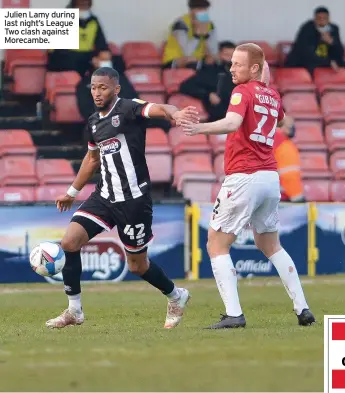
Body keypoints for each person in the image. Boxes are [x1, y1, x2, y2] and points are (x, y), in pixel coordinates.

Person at [46, 67, 199, 329]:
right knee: (70, 242)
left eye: (102, 87)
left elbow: (160, 108)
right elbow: (92, 158)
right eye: (93, 87)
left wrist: (176, 114)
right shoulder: (94, 121)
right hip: (104, 196)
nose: (96, 92)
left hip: (133, 201)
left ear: (116, 89)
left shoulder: (128, 108)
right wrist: (72, 192)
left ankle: (176, 296)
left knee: (138, 266)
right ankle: (74, 311)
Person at [181, 43, 315, 329]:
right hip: (269, 177)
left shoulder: (242, 91)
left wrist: (199, 128)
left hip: (244, 176)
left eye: (237, 65)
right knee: (270, 244)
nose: (231, 69)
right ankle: (302, 308)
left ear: (254, 68)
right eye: (231, 64)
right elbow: (282, 121)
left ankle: (233, 314)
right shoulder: (273, 95)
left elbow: (232, 123)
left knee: (217, 243)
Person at [47, 0, 113, 76]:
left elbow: (102, 45)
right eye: (80, 4)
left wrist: (104, 55)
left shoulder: (93, 21)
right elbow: (56, 50)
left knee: (115, 61)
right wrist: (91, 59)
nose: (83, 4)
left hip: (87, 60)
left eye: (85, 4)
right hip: (64, 60)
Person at [180, 41, 236, 121]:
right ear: (219, 55)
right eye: (226, 55)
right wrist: (208, 94)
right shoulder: (209, 71)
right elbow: (185, 86)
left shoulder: (241, 72)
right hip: (219, 118)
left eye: (233, 56)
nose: (230, 59)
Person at [285, 6, 344, 74]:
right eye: (319, 18)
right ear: (314, 19)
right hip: (305, 62)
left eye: (325, 18)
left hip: (325, 61)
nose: (322, 21)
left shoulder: (334, 29)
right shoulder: (307, 28)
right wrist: (328, 62)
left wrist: (332, 42)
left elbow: (340, 52)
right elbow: (305, 52)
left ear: (329, 19)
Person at [162, 0, 218, 69]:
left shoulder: (209, 24)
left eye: (205, 9)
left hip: (197, 60)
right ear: (191, 10)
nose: (203, 12)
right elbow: (187, 52)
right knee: (192, 63)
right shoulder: (180, 24)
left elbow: (214, 51)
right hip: (176, 60)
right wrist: (197, 34)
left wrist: (206, 35)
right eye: (199, 9)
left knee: (217, 64)